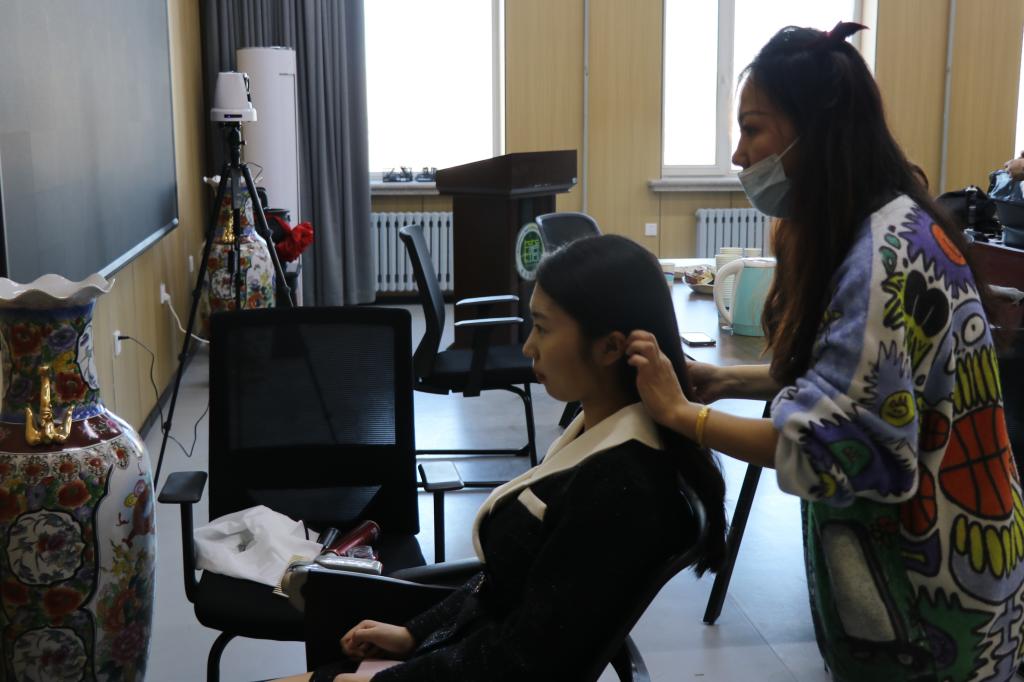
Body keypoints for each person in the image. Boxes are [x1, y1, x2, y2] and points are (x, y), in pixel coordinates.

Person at [627, 22, 1024, 682]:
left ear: (818, 128)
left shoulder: (880, 262)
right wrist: (727, 381)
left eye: (753, 129)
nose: (738, 155)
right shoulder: (896, 223)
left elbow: (830, 448)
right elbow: (865, 380)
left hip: (931, 605)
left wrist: (680, 414)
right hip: (965, 570)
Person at [276, 235, 728, 682]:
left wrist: (381, 681)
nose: (529, 346)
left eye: (543, 328)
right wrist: (414, 633)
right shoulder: (600, 436)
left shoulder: (620, 489)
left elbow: (522, 661)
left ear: (609, 347)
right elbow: (507, 583)